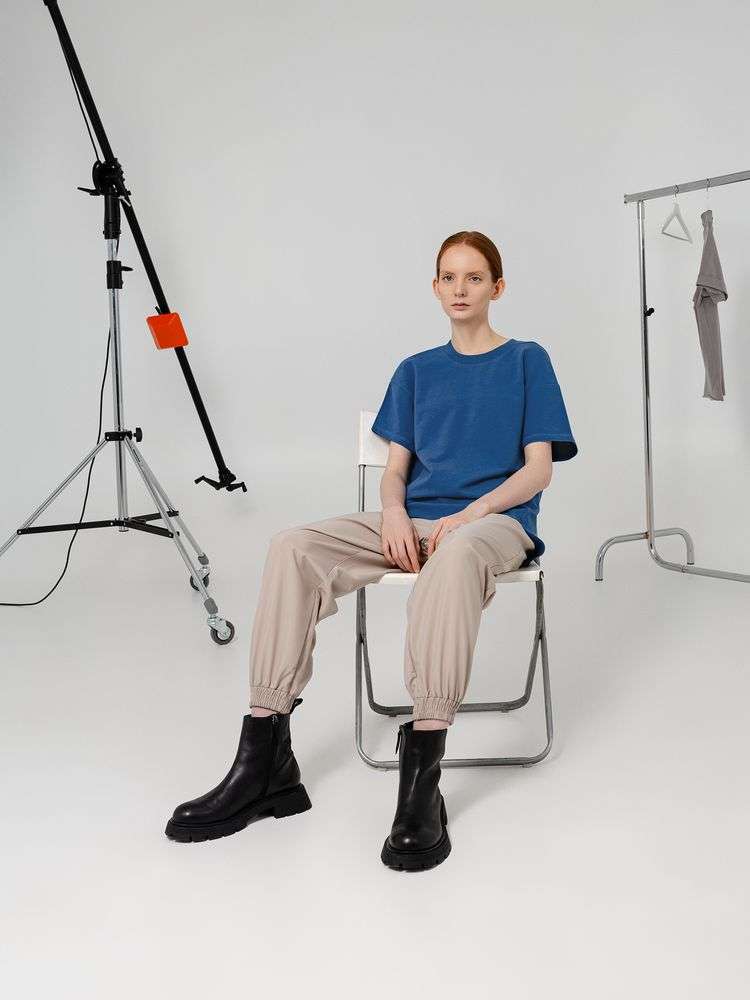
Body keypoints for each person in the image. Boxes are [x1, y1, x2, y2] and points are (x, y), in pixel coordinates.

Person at [165, 230, 578, 872]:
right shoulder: (415, 371)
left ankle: (423, 778)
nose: (460, 289)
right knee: (292, 546)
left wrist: (465, 517)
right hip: (413, 520)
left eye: (474, 277)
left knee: (457, 554)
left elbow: (537, 470)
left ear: (497, 287)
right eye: (448, 277)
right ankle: (265, 758)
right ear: (435, 287)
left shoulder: (527, 360)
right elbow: (396, 472)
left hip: (494, 525)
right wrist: (393, 513)